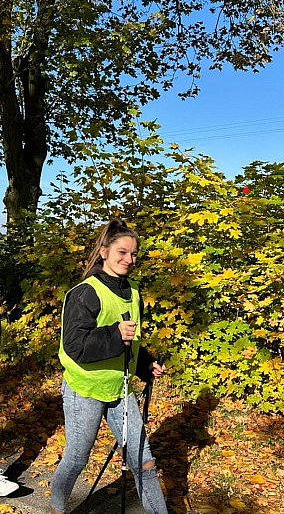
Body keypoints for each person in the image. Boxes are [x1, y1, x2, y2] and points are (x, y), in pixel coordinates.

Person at [50, 220, 168, 513]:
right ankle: (56, 507)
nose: (129, 259)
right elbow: (74, 347)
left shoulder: (133, 289)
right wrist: (115, 334)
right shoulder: (84, 292)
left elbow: (131, 337)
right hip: (86, 389)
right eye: (122, 252)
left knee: (144, 462)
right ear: (104, 251)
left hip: (120, 387)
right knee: (77, 458)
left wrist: (145, 363)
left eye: (134, 254)